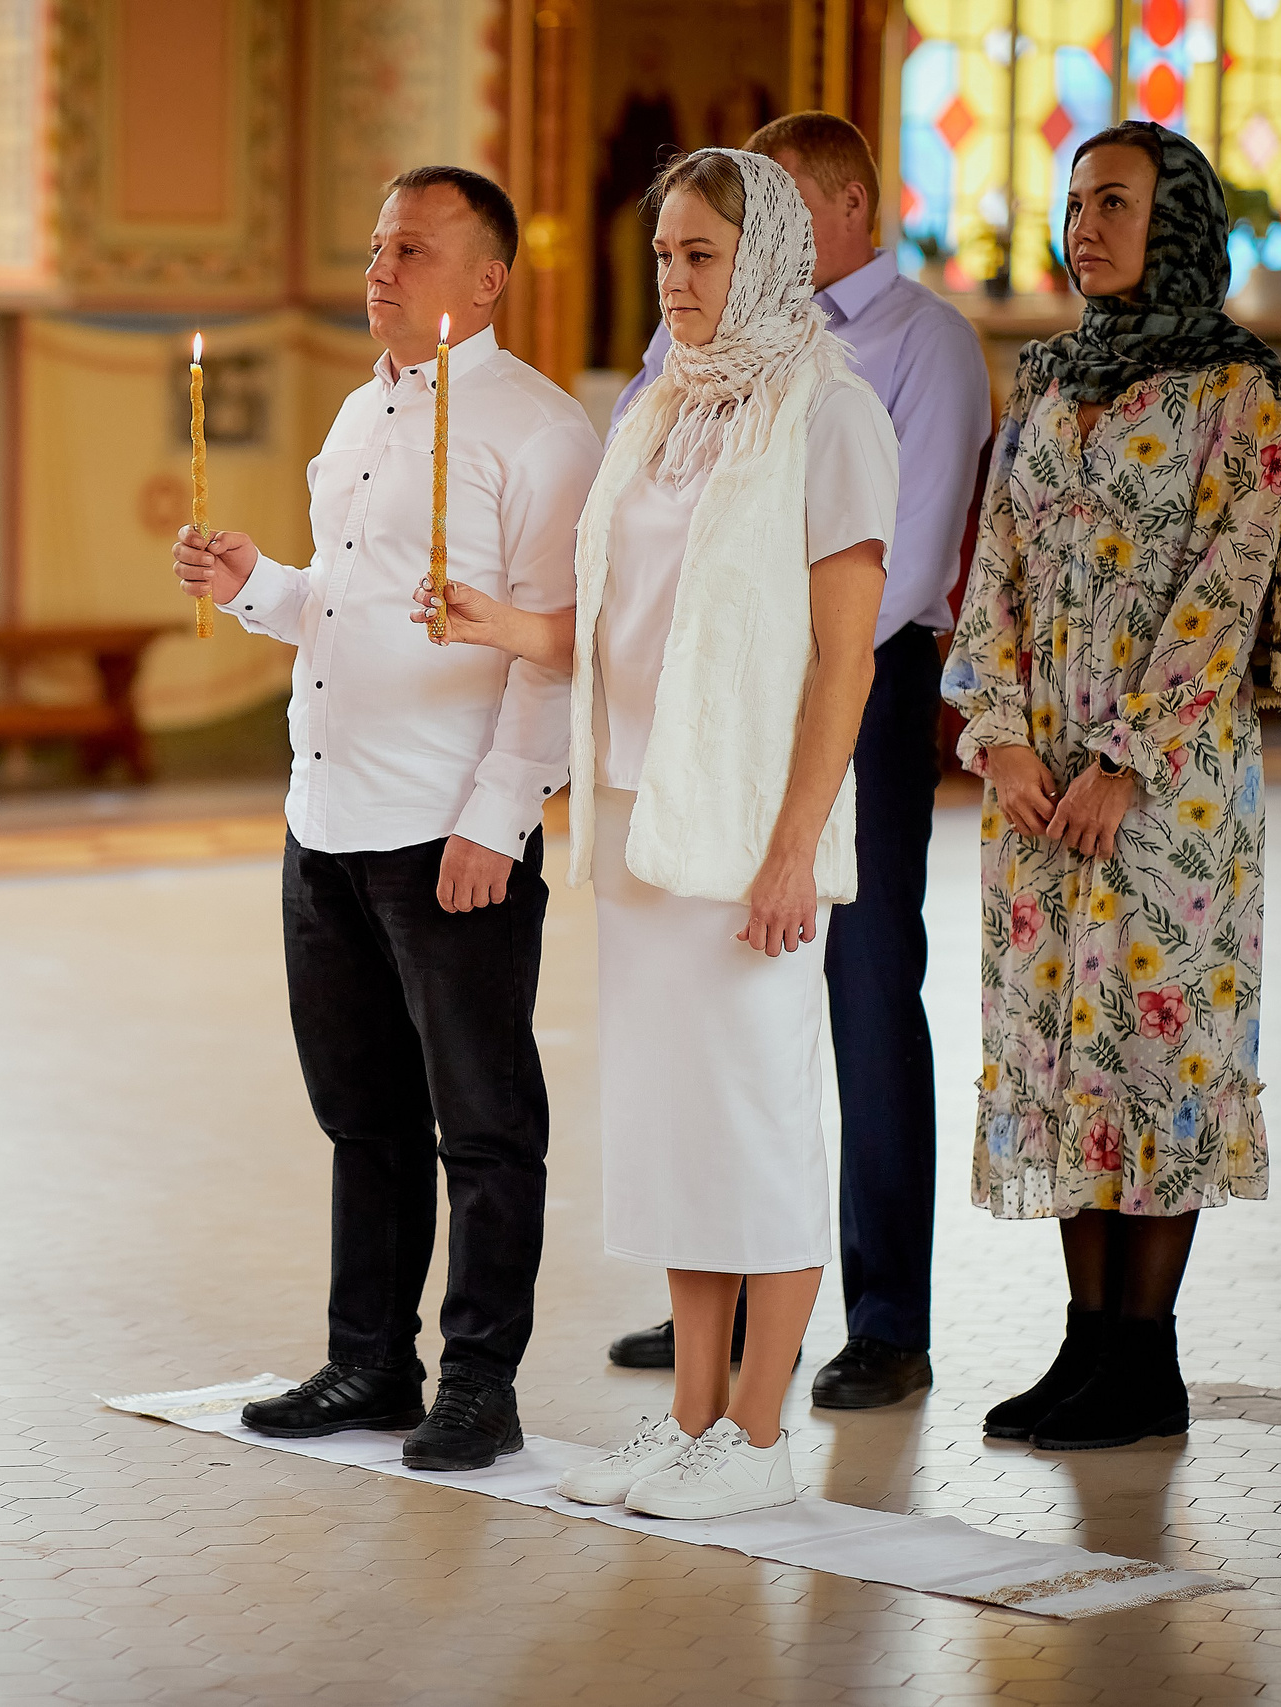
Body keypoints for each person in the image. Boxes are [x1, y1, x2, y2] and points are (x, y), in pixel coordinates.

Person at [419, 147, 895, 1518]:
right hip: (640, 815)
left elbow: (841, 661)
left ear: (769, 262)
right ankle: (687, 1421)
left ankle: (757, 1442)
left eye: (703, 255)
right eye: (666, 255)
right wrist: (497, 624)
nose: (677, 279)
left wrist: (798, 846)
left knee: (755, 1124)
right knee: (680, 1126)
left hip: (754, 828)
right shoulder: (658, 408)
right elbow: (617, 622)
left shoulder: (831, 412)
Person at [170, 166, 601, 1472]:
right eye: (375, 245)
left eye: (413, 248)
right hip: (328, 816)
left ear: (487, 279)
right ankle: (371, 1362)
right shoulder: (361, 412)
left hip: (446, 827)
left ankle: (482, 1379)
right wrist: (259, 587)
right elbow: (347, 609)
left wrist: (498, 817)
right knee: (361, 1114)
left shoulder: (539, 433)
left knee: (481, 1120)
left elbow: (552, 650)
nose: (381, 266)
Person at [601, 113, 990, 1408]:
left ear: (844, 205)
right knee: (710, 1035)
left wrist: (764, 681)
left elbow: (907, 563)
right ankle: (717, 1316)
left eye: (758, 215)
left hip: (846, 699)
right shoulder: (696, 346)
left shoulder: (909, 350)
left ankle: (883, 1314)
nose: (683, 273)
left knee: (861, 997)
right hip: (699, 723)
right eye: (677, 248)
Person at [942, 120, 1281, 1451]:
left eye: (1114, 202)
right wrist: (1003, 734)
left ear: (1180, 221)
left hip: (1173, 800)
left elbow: (1226, 592)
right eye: (1074, 201)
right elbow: (995, 571)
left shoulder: (1237, 389)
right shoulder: (1044, 379)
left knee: (1154, 1051)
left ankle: (1147, 1364)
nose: (1083, 224)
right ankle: (1085, 1350)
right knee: (1065, 1056)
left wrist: (1127, 760)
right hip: (1039, 795)